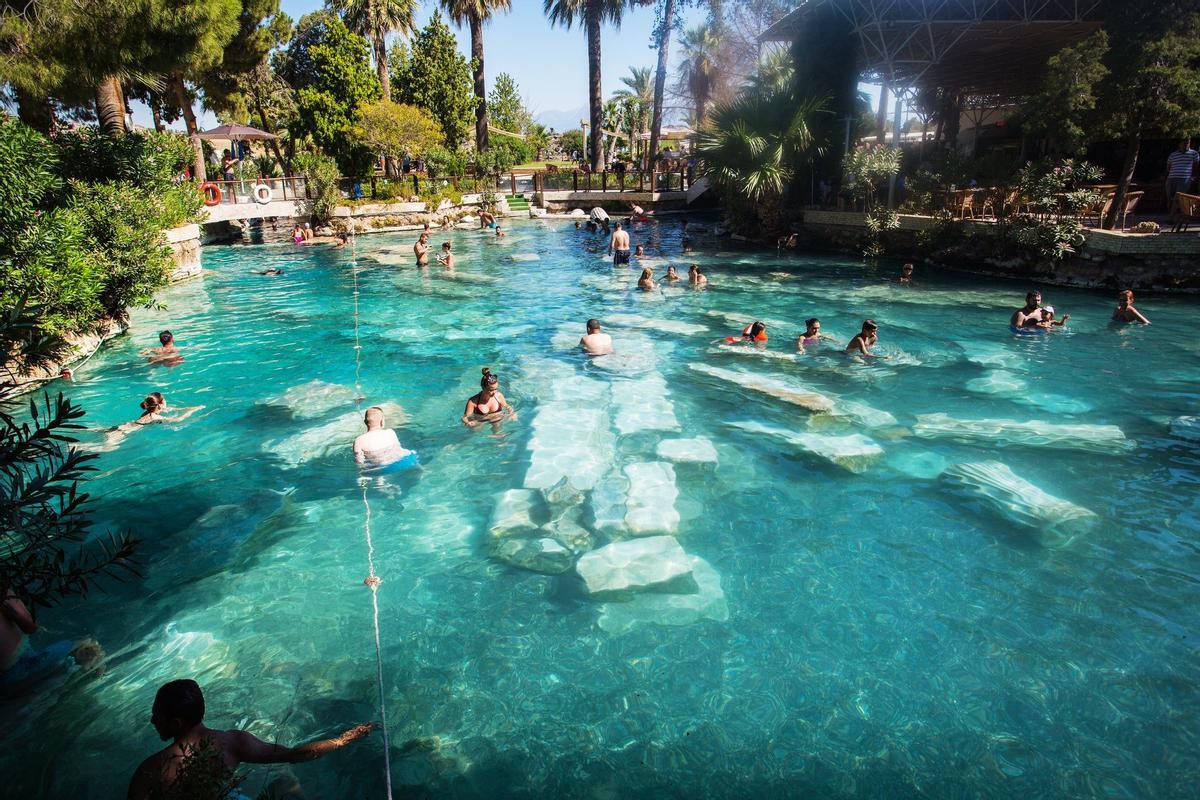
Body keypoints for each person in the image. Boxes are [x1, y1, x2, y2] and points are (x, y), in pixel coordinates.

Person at [126, 679, 378, 800]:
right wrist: (343, 740)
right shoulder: (231, 743)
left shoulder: (150, 770)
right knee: (281, 784)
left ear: (177, 723)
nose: (152, 721)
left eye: (156, 716)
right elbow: (295, 755)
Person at [2, 590, 104, 689]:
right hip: (15, 666)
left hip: (18, 663)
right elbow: (29, 627)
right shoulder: (7, 593)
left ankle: (85, 658)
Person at [1165, 139, 1198, 212]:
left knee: (1178, 197)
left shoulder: (1194, 153)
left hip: (1184, 178)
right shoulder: (1173, 154)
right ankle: (1169, 206)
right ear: (1179, 144)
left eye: (1187, 143)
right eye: (1184, 143)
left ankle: (1171, 217)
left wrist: (1192, 178)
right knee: (1169, 197)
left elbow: (1196, 167)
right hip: (1171, 178)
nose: (1185, 145)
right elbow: (1168, 167)